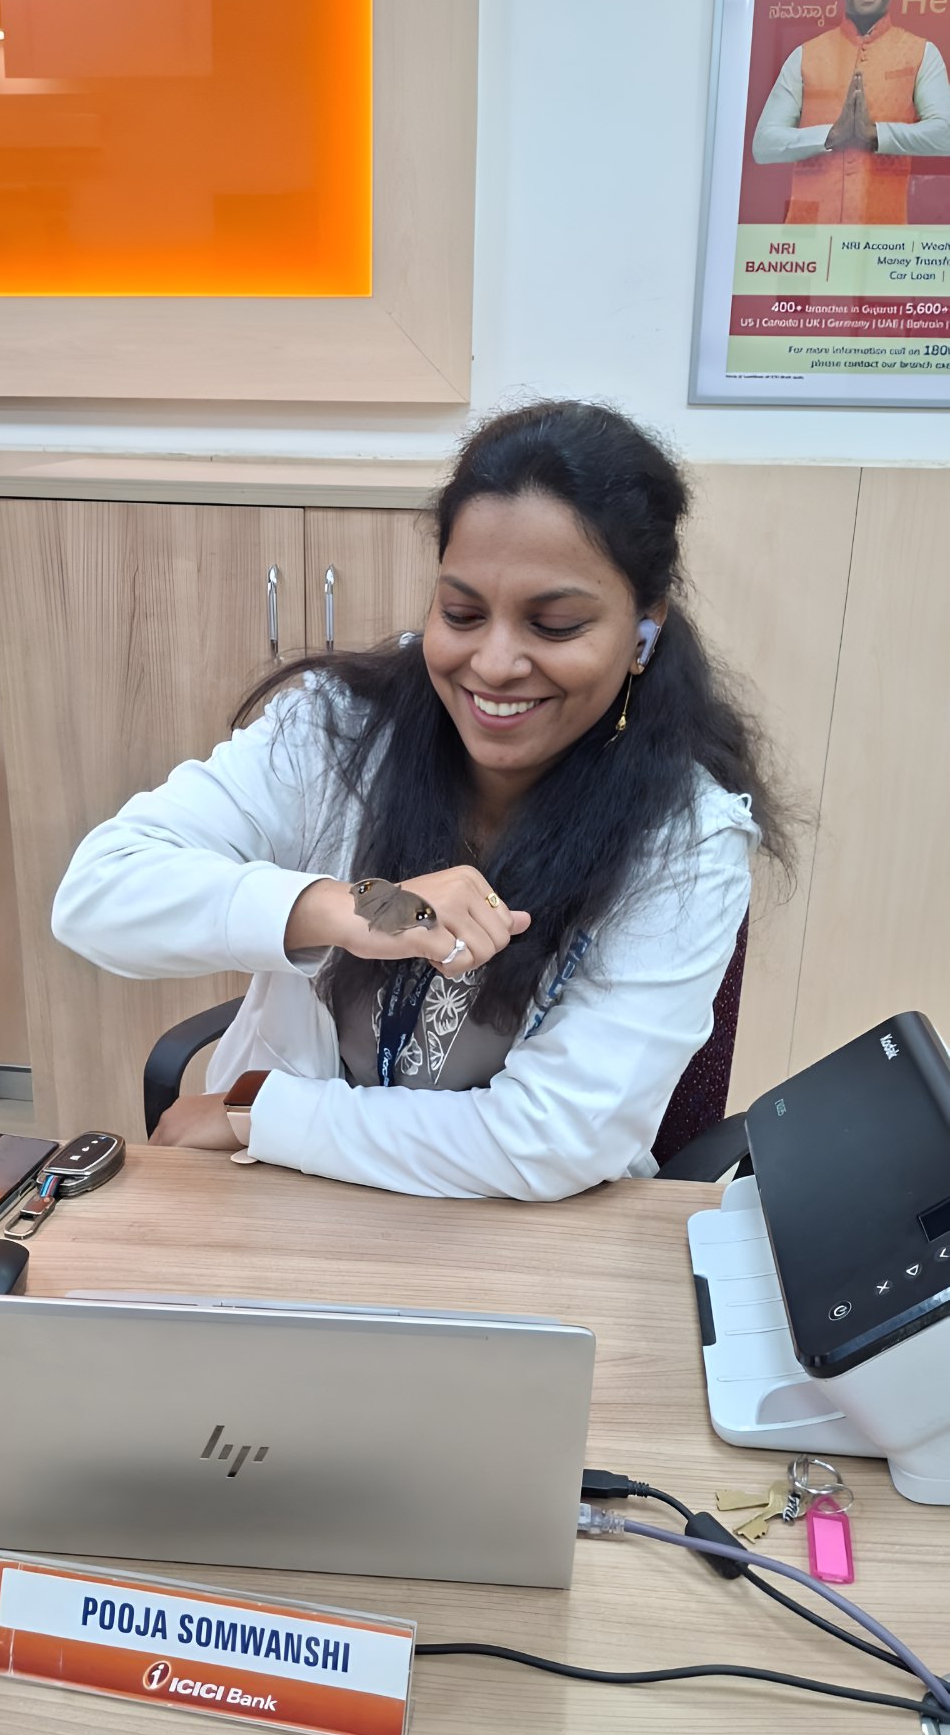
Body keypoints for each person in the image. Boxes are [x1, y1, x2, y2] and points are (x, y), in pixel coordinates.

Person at [52, 401, 791, 1203]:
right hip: (277, 1195)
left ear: (643, 632)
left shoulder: (687, 838)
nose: (494, 664)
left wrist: (262, 1112)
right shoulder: (338, 727)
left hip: (499, 1224)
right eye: (461, 613)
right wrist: (352, 908)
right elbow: (97, 892)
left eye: (554, 625)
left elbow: (551, 1141)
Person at [752, 0, 950, 225]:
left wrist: (877, 135)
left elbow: (945, 135)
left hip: (883, 239)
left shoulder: (922, 53)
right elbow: (764, 145)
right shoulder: (805, 56)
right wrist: (830, 136)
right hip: (808, 237)